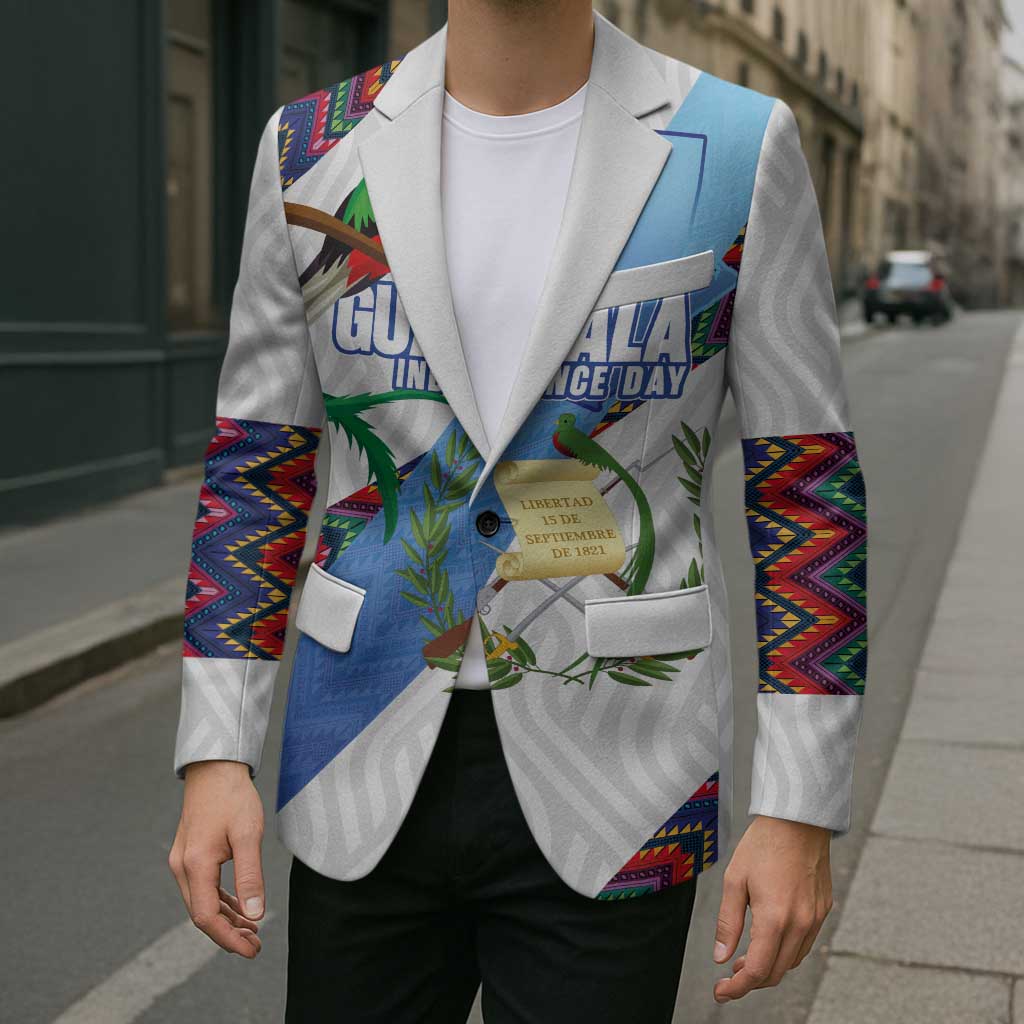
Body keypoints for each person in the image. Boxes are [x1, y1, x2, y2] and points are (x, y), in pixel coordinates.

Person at [168, 2, 868, 1021]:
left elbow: (805, 486)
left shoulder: (736, 144)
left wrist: (799, 801)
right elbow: (258, 468)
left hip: (624, 762)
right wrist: (217, 746)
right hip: (357, 745)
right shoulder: (312, 146)